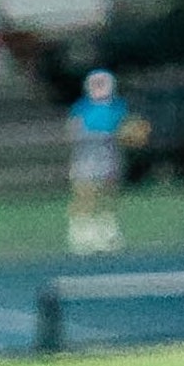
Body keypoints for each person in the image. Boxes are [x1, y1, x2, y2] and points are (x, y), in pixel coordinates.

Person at [66, 70, 141, 256]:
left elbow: (129, 129)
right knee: (85, 192)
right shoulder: (81, 107)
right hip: (86, 155)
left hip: (109, 154)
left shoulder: (118, 107)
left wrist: (130, 135)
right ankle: (81, 233)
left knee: (109, 192)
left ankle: (108, 231)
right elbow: (72, 129)